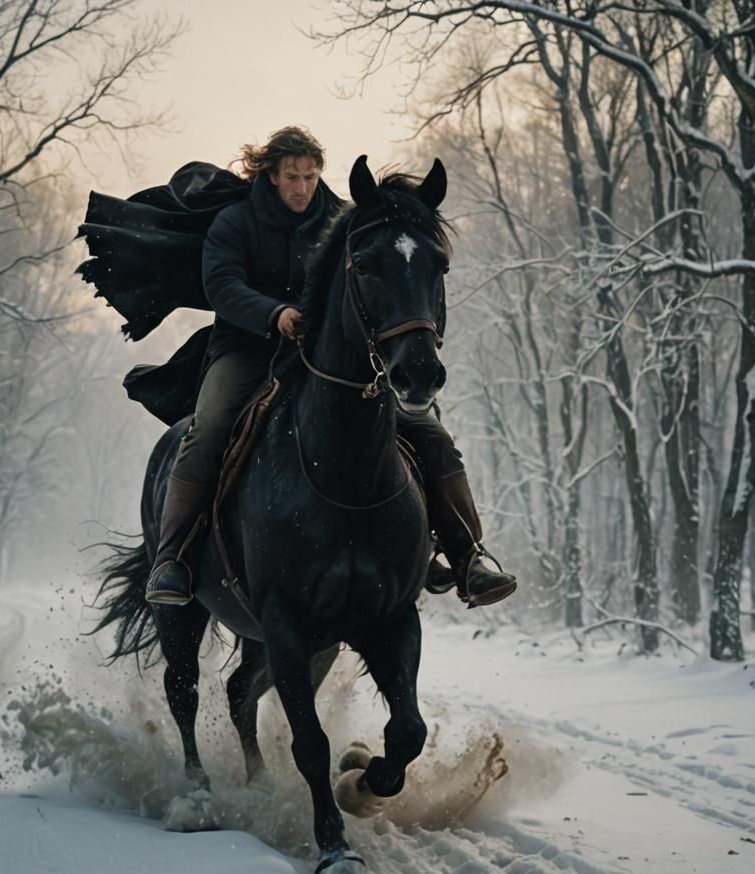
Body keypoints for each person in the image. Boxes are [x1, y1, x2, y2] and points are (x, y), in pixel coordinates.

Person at [145, 126, 515, 609]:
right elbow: (221, 285)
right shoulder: (235, 222)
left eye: (310, 175)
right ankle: (173, 557)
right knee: (209, 427)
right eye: (292, 177)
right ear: (271, 176)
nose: (302, 187)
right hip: (245, 350)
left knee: (429, 430)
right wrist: (274, 314)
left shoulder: (341, 220)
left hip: (326, 359)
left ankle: (466, 555)